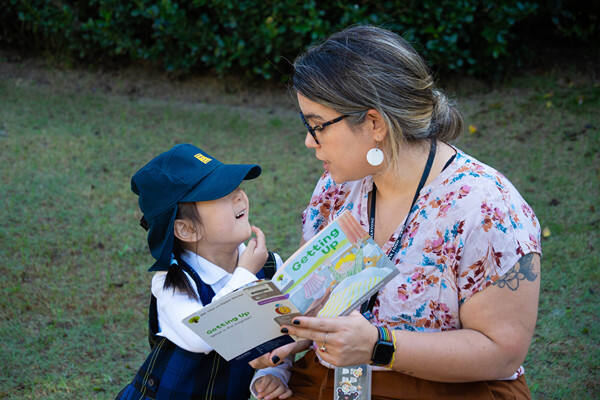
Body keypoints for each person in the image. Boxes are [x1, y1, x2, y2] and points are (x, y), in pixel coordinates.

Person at [252, 25, 541, 399]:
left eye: (318, 125)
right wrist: (293, 339)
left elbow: (502, 353)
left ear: (374, 124)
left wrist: (379, 346)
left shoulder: (486, 208)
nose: (309, 140)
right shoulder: (336, 188)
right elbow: (319, 299)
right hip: (334, 382)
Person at [116, 144, 291, 400]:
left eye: (236, 187)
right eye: (221, 195)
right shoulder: (172, 280)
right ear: (187, 230)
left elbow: (284, 332)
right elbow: (202, 337)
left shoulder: (270, 266)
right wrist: (245, 277)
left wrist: (273, 375)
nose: (239, 196)